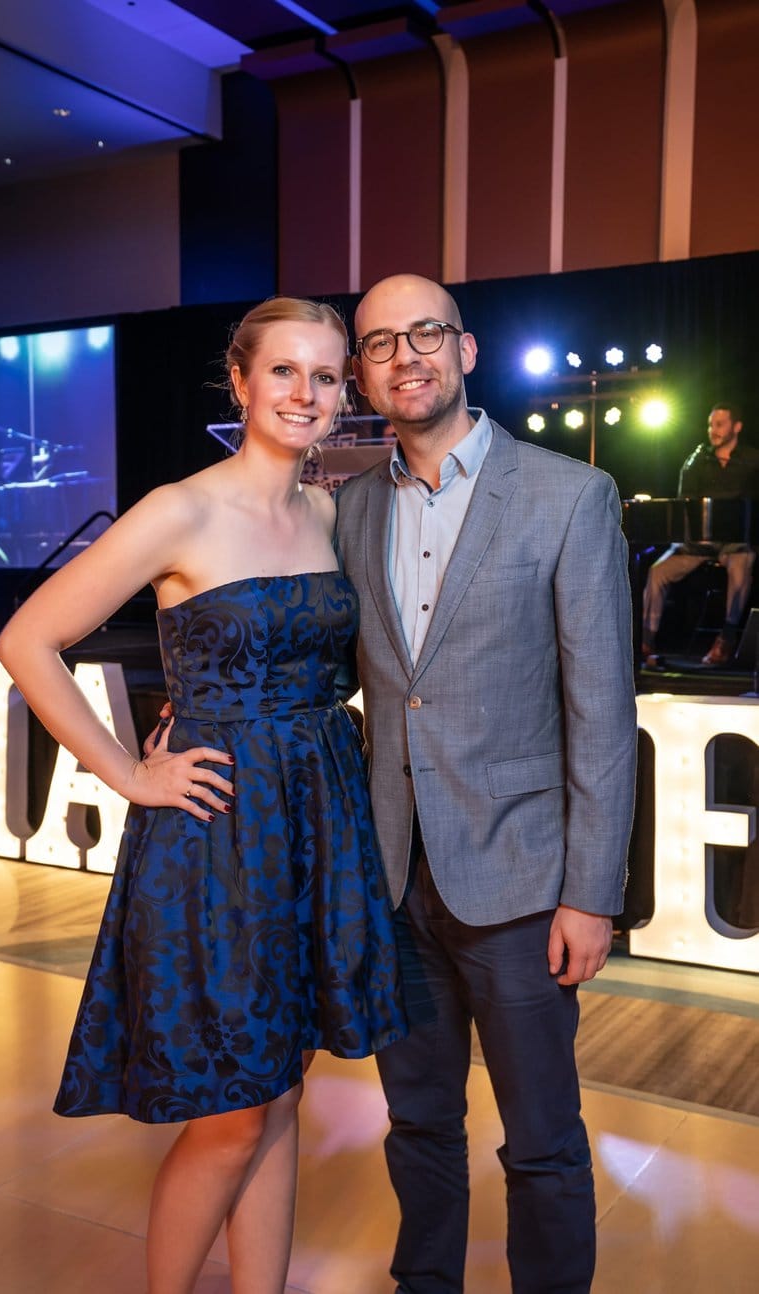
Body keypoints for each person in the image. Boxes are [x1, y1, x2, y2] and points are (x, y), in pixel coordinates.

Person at [0, 297, 406, 1294]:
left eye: (325, 375)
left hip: (313, 822)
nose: (305, 393)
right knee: (232, 1116)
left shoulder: (326, 511)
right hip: (216, 834)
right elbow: (27, 640)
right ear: (240, 381)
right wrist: (128, 769)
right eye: (284, 371)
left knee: (279, 1094)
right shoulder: (180, 509)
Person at [335, 273, 638, 1294]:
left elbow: (602, 712)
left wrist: (591, 892)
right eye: (381, 342)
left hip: (522, 884)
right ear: (362, 373)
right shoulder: (350, 508)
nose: (406, 355)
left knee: (542, 1140)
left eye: (426, 332)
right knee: (418, 1123)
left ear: (465, 351)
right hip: (394, 881)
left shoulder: (568, 495)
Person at [640, 403, 759, 667]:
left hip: (734, 544)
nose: (713, 430)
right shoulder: (696, 461)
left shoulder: (752, 461)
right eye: (710, 425)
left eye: (720, 424)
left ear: (736, 427)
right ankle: (646, 641)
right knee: (658, 571)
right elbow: (686, 503)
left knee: (742, 564)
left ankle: (726, 640)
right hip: (698, 544)